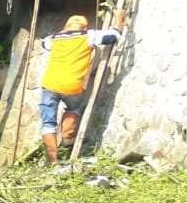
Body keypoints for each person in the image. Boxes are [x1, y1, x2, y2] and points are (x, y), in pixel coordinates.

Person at [38, 11, 124, 163]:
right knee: (73, 109)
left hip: (50, 85)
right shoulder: (88, 36)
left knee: (48, 124)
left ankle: (51, 159)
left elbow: (44, 43)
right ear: (84, 27)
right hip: (72, 86)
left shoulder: (54, 39)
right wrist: (119, 20)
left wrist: (62, 33)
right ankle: (67, 137)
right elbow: (114, 36)